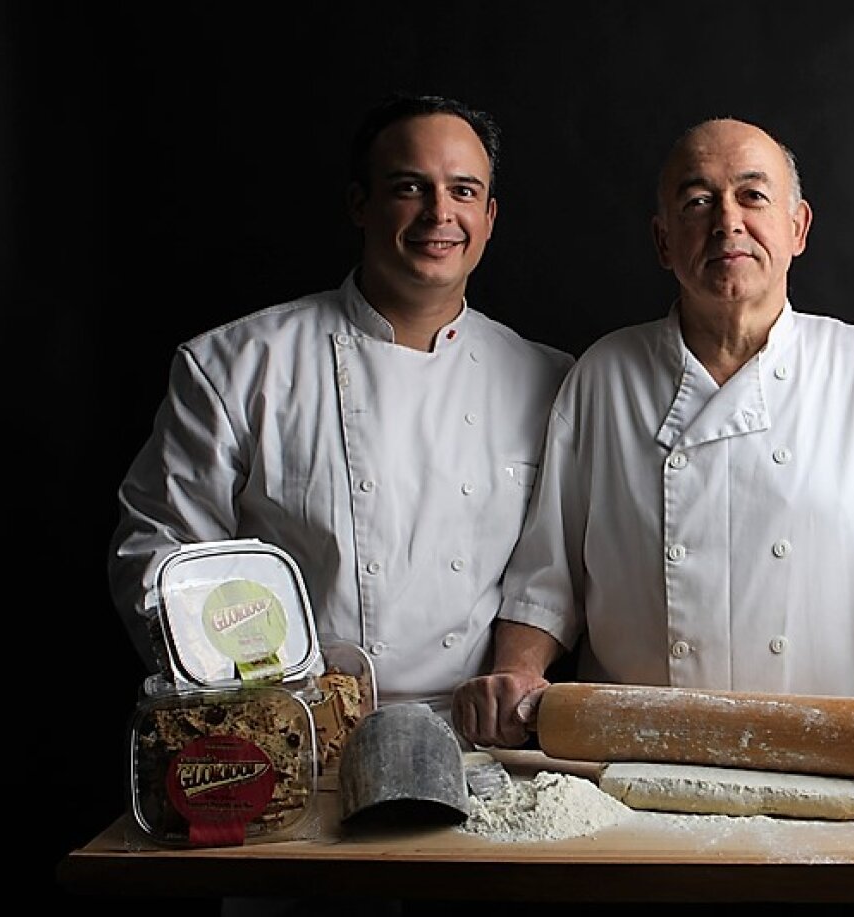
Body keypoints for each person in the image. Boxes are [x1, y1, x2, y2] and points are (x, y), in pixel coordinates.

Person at [452, 117, 854, 782]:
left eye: (752, 196)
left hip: (843, 770)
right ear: (663, 240)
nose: (727, 223)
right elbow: (547, 581)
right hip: (636, 777)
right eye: (697, 202)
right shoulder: (604, 376)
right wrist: (515, 672)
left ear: (798, 227)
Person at [108, 93, 573, 719]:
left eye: (463, 192)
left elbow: (552, 566)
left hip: (472, 739)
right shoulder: (237, 365)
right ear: (360, 204)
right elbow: (164, 557)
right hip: (290, 725)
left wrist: (517, 675)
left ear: (489, 216)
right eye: (411, 187)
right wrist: (253, 702)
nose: (440, 213)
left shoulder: (548, 380)